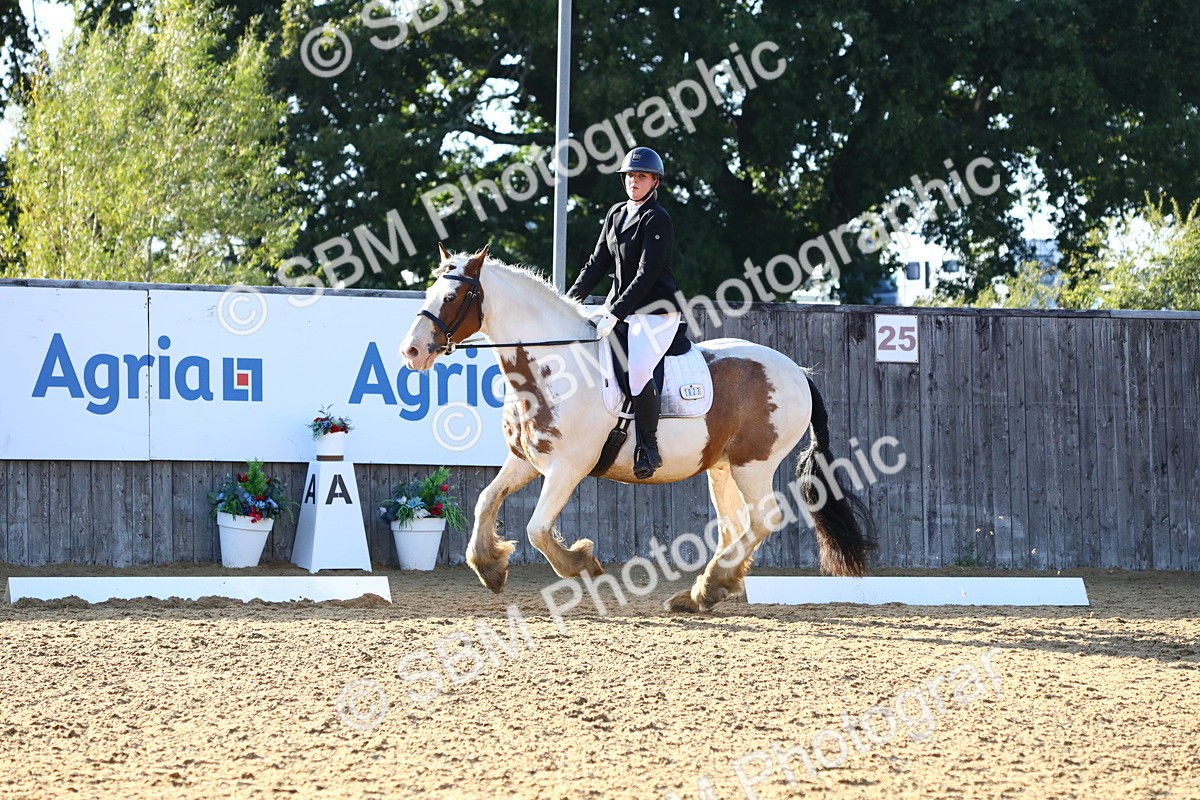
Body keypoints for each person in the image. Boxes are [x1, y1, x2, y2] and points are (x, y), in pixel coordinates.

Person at [566, 146, 684, 480]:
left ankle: (648, 445)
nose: (634, 181)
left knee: (637, 371)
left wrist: (615, 313)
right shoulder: (617, 214)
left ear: (654, 181)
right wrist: (570, 303)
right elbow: (596, 264)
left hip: (654, 312)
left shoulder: (657, 218)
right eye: (630, 175)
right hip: (620, 309)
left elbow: (646, 275)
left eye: (641, 176)